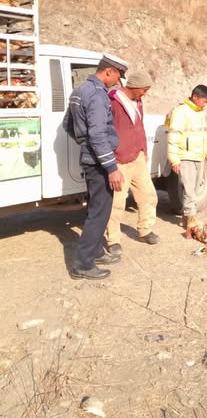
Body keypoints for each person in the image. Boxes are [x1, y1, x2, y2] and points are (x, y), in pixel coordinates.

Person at [63, 52, 128, 280]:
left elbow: (68, 125)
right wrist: (111, 168)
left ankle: (96, 251)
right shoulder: (98, 95)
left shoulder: (80, 90)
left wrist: (85, 143)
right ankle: (83, 264)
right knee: (99, 213)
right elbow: (99, 134)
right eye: (118, 76)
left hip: (92, 159)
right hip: (99, 163)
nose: (118, 82)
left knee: (95, 209)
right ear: (108, 71)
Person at [105, 70, 159, 254]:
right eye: (144, 89)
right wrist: (111, 161)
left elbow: (140, 127)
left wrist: (144, 150)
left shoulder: (138, 101)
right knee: (117, 202)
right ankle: (113, 239)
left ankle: (145, 229)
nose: (145, 93)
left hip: (138, 157)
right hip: (119, 160)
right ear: (134, 87)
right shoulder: (113, 102)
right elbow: (105, 131)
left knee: (148, 195)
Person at [166, 84, 207, 237]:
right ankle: (191, 223)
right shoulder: (181, 112)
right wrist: (174, 159)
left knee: (194, 189)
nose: (205, 104)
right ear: (195, 97)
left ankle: (185, 217)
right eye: (204, 101)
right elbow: (173, 136)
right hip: (185, 156)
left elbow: (204, 136)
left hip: (198, 156)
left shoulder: (201, 113)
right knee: (189, 190)